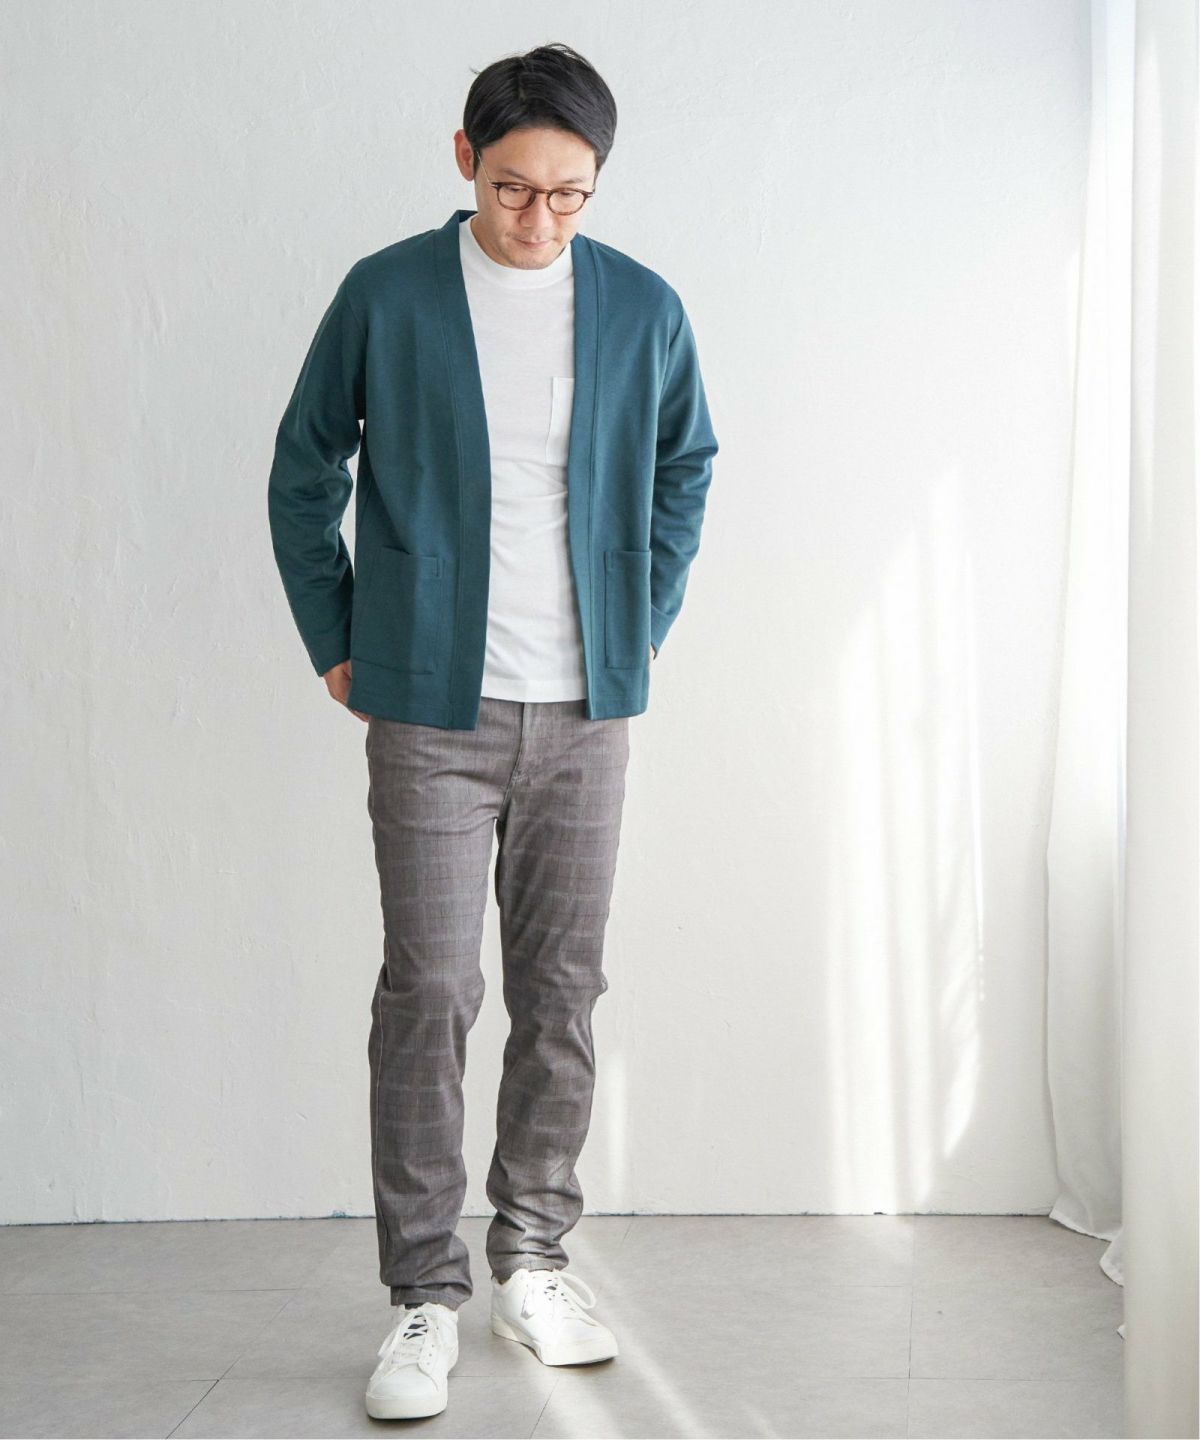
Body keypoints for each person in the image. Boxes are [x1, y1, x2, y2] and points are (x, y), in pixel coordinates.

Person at [267, 41, 717, 1422]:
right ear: (466, 159)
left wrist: (640, 619)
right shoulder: (389, 292)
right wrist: (338, 636)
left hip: (585, 710)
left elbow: (686, 467)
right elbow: (303, 467)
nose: (540, 220)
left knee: (562, 993)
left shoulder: (642, 307)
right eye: (515, 187)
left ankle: (534, 1257)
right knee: (430, 991)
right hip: (427, 709)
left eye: (571, 194)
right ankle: (422, 1294)